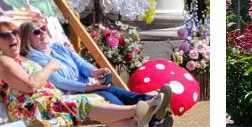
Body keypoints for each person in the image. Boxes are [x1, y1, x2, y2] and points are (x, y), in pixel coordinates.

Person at [0, 20, 169, 127]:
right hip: (32, 109)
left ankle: (141, 126)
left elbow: (79, 63)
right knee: (86, 100)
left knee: (97, 98)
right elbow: (31, 85)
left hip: (51, 101)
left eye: (15, 33)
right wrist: (50, 66)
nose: (13, 37)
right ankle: (141, 109)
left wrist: (92, 70)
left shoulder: (25, 59)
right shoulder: (4, 61)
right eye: (6, 36)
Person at [20, 20, 155, 107]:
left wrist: (94, 71)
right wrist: (88, 88)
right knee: (112, 99)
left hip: (88, 86)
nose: (43, 33)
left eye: (43, 28)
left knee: (122, 93)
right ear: (27, 39)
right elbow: (58, 81)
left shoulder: (58, 47)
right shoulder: (34, 57)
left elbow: (80, 63)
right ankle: (148, 119)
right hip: (73, 94)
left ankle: (155, 102)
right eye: (37, 32)